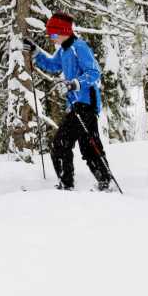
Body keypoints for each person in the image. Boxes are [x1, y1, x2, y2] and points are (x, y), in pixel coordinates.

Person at [23, 11, 113, 191]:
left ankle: (97, 181)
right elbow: (52, 65)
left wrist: (75, 84)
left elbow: (94, 73)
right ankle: (72, 182)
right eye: (50, 34)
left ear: (64, 31)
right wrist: (35, 52)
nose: (52, 38)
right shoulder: (63, 50)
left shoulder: (79, 47)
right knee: (67, 144)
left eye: (54, 34)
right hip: (75, 105)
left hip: (87, 104)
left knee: (78, 145)